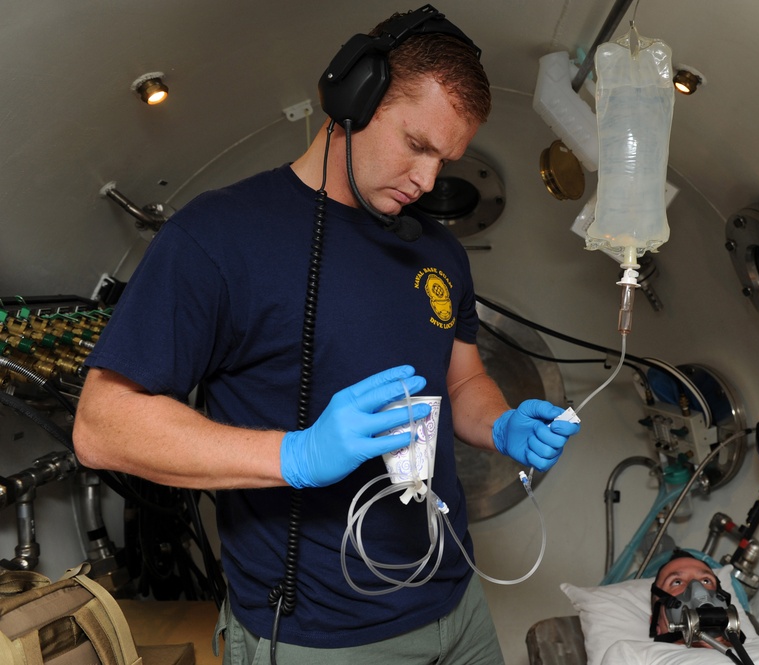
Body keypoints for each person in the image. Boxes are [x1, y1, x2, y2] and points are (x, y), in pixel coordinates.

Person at [73, 6, 580, 664]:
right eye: (417, 144)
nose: (428, 180)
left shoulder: (438, 251)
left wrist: (505, 424)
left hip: (458, 606)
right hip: (318, 635)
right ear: (350, 95)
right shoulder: (218, 237)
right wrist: (297, 455)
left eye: (445, 158)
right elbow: (101, 426)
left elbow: (462, 377)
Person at [601, 552, 759, 665]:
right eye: (677, 582)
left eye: (707, 580)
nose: (697, 589)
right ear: (657, 621)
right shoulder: (631, 655)